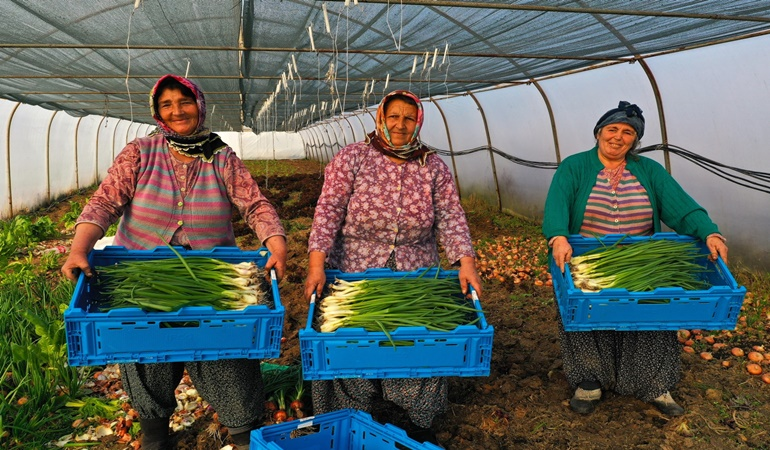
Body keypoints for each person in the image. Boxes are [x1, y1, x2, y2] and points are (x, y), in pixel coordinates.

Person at [61, 74, 288, 449]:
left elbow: (255, 203)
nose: (176, 110)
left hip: (212, 275)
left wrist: (276, 244)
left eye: (183, 101)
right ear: (157, 111)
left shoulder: (221, 155)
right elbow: (105, 201)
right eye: (166, 104)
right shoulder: (140, 152)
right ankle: (155, 436)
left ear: (198, 104)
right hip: (141, 274)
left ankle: (244, 436)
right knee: (147, 353)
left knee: (226, 355)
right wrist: (79, 248)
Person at [303, 90, 483, 445]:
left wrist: (466, 262)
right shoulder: (353, 157)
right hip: (355, 270)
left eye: (409, 118)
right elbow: (328, 212)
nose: (400, 124)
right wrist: (315, 263)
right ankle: (355, 411)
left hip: (414, 273)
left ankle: (411, 419)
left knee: (413, 342)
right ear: (380, 118)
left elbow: (450, 217)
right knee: (354, 343)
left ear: (419, 122)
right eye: (394, 116)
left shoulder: (432, 165)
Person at [542, 100, 728, 416]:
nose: (618, 137)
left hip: (643, 261)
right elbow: (556, 205)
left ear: (635, 140)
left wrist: (709, 232)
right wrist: (558, 235)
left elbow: (681, 208)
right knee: (587, 320)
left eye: (628, 132)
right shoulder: (575, 167)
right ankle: (590, 382)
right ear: (599, 132)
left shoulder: (649, 170)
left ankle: (654, 385)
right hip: (588, 260)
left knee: (650, 319)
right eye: (612, 129)